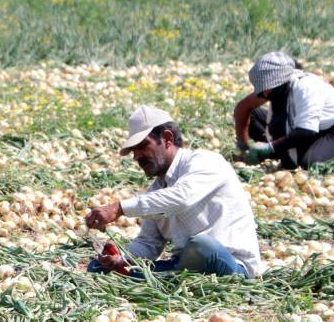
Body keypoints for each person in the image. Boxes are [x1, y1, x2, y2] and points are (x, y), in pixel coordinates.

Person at [85, 105, 263, 278]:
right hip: (185, 264)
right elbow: (148, 243)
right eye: (133, 151)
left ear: (167, 138)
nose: (137, 156)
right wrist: (122, 259)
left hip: (232, 265)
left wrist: (119, 208)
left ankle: (161, 277)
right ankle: (164, 277)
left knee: (201, 245)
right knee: (99, 268)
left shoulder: (206, 161)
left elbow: (181, 198)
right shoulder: (156, 191)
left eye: (142, 146)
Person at [240, 52, 334, 168]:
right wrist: (244, 146)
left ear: (277, 82)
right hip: (310, 131)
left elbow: (306, 131)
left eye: (267, 90)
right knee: (255, 115)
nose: (265, 94)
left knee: (311, 162)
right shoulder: (281, 91)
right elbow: (242, 109)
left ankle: (284, 153)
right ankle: (277, 154)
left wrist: (270, 147)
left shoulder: (305, 87)